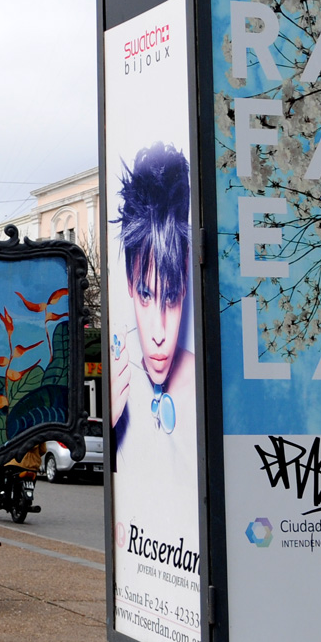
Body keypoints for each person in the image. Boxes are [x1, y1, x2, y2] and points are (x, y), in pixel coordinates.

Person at [110, 142, 193, 450]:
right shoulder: (116, 382)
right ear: (129, 282)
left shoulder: (208, 386)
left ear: (185, 282)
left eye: (170, 298)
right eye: (146, 294)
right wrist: (110, 418)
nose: (159, 334)